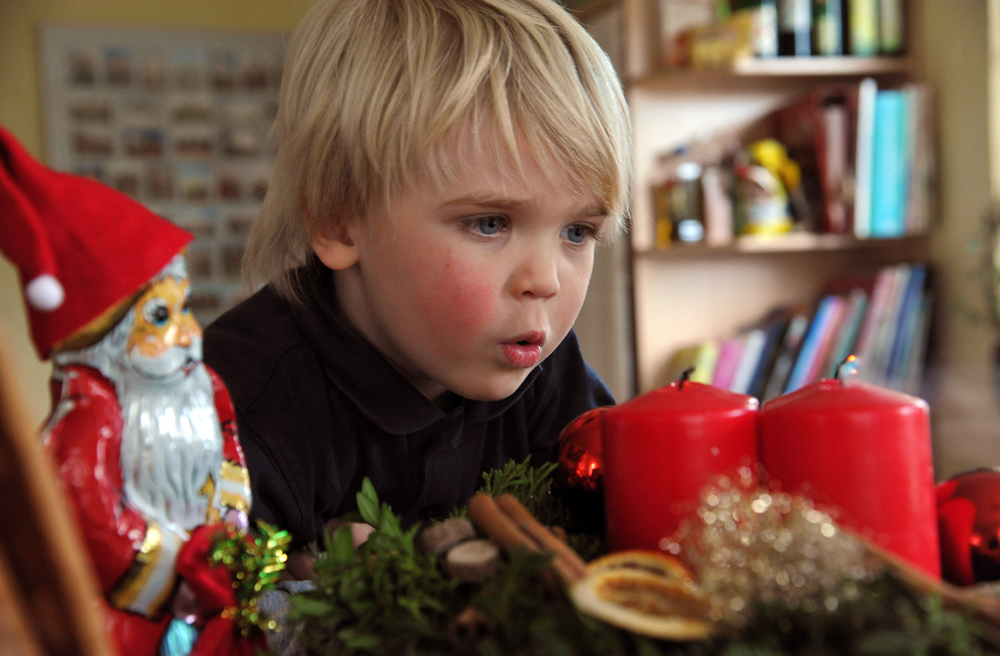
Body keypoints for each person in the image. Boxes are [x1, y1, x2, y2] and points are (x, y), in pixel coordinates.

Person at [203, 0, 632, 570]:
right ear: (338, 219)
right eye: (490, 223)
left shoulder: (544, 369)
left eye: (578, 232)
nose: (545, 281)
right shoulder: (235, 408)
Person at [0, 127, 254, 656]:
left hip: (213, 591)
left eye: (184, 308)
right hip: (140, 619)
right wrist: (176, 573)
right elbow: (89, 517)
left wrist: (226, 532)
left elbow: (228, 446)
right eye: (159, 317)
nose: (188, 333)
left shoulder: (199, 384)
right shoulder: (90, 417)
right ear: (105, 342)